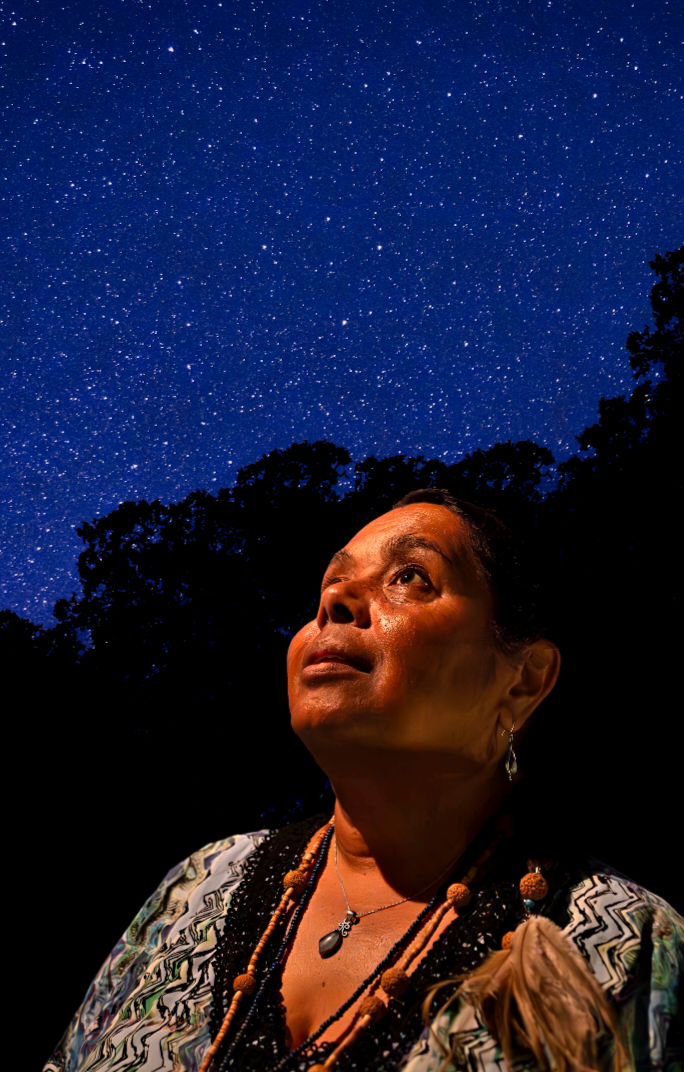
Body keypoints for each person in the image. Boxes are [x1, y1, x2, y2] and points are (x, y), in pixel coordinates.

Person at [43, 488, 683, 1072]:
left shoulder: (624, 942)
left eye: (410, 577)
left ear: (524, 681)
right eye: (332, 581)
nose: (334, 600)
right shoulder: (199, 884)